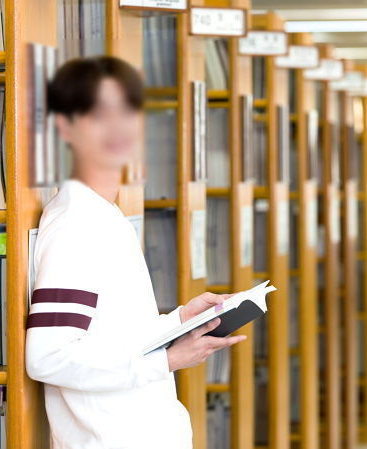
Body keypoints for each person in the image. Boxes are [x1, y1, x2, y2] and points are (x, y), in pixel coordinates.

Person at [25, 56, 246, 449]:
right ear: (66, 128)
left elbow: (109, 336)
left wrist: (177, 320)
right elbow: (49, 355)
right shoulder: (77, 222)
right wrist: (167, 360)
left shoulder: (103, 213)